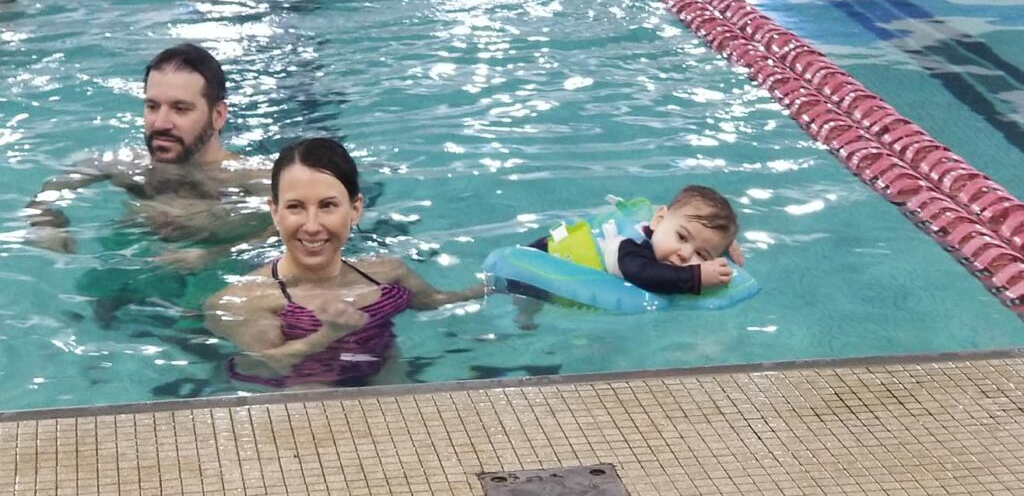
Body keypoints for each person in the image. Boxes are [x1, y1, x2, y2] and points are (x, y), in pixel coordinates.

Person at [204, 138, 486, 388]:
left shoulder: (387, 272)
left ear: (355, 209)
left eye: (327, 205)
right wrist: (328, 334)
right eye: (295, 207)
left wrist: (491, 287)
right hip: (300, 383)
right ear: (275, 212)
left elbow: (434, 301)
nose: (311, 226)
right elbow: (266, 364)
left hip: (381, 367)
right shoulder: (244, 300)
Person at [23, 42, 271, 257]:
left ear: (218, 115)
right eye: (152, 106)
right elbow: (53, 188)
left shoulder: (252, 180)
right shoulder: (129, 165)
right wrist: (45, 222)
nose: (161, 123)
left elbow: (285, 234)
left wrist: (211, 255)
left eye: (180, 109)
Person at [511, 185, 743, 329]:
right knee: (528, 302)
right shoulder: (630, 248)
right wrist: (696, 277)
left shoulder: (664, 234)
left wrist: (724, 244)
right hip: (538, 266)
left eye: (701, 254)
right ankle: (523, 316)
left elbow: (691, 225)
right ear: (658, 220)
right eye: (682, 237)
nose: (685, 254)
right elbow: (644, 274)